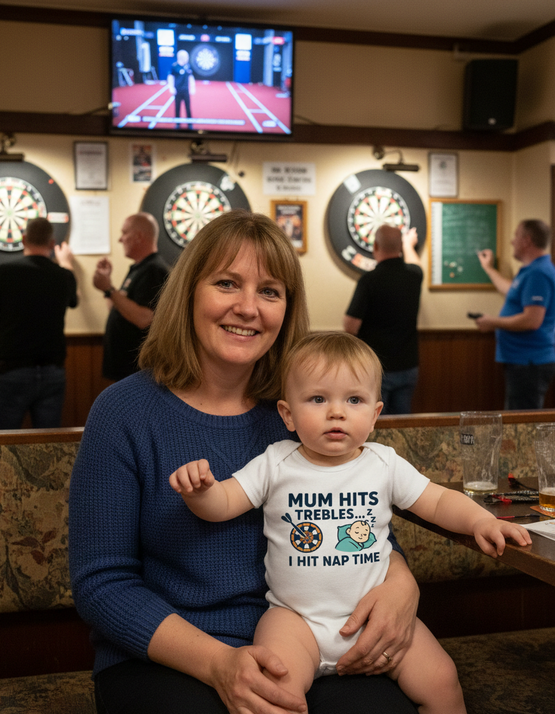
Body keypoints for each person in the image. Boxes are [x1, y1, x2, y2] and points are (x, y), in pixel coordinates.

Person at [69, 210, 424, 714]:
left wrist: (402, 585)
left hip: (314, 641)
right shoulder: (123, 412)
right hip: (168, 655)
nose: (248, 308)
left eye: (271, 292)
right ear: (189, 292)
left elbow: (367, 524)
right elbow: (101, 583)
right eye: (227, 283)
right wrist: (219, 663)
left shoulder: (306, 411)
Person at [170, 331, 532, 714]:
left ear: (375, 414)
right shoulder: (275, 461)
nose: (336, 412)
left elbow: (438, 499)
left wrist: (480, 520)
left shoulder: (383, 463)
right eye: (318, 399)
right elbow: (223, 502)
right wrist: (200, 492)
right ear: (288, 414)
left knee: (442, 678)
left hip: (374, 619)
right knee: (272, 694)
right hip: (295, 621)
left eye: (354, 399)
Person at [0, 217, 78, 429]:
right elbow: (73, 299)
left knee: (2, 445)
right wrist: (66, 263)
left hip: (13, 369)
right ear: (51, 243)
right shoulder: (63, 276)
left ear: (24, 238)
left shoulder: (4, 272)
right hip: (52, 371)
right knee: (48, 447)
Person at [475, 219, 555, 410]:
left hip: (529, 364)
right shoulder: (531, 271)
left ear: (526, 240)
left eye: (516, 236)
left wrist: (492, 322)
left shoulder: (538, 273)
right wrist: (489, 268)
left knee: (522, 427)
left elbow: (532, 320)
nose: (512, 241)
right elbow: (510, 290)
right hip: (523, 362)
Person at [343, 224, 423, 414]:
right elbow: (416, 264)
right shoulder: (414, 275)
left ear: (375, 247)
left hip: (377, 368)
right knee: (404, 425)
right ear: (399, 248)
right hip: (408, 365)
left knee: (377, 424)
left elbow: (350, 325)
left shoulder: (369, 280)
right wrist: (408, 245)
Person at [93, 212, 168, 382]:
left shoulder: (153, 270)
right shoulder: (139, 268)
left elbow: (145, 318)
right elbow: (119, 310)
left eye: (124, 233)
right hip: (125, 370)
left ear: (139, 236)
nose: (120, 240)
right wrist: (107, 288)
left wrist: (110, 289)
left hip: (137, 371)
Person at [167, 49, 196, 130]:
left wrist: (192, 87)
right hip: (178, 90)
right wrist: (171, 88)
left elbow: (190, 77)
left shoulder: (187, 66)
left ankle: (190, 124)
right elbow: (170, 77)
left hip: (186, 90)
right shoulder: (174, 66)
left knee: (188, 107)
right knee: (177, 107)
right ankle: (177, 123)